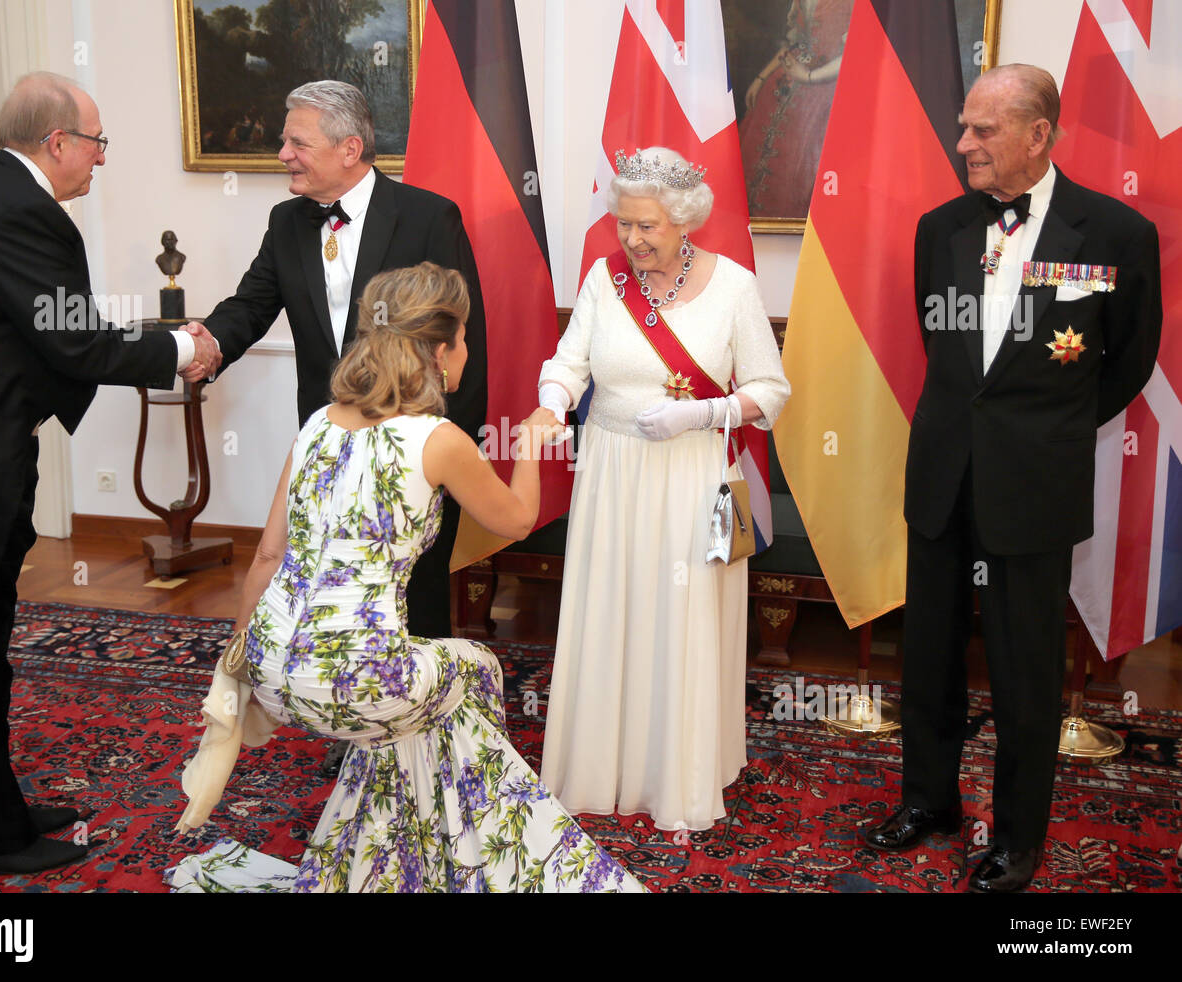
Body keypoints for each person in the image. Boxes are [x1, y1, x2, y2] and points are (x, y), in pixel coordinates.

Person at [168, 263, 643, 893]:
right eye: (465, 337)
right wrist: (530, 443)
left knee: (421, 711)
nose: (468, 350)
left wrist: (238, 662)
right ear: (441, 352)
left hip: (273, 671)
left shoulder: (317, 422)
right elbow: (519, 518)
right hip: (354, 685)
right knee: (476, 668)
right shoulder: (438, 439)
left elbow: (264, 559)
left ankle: (386, 859)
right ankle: (502, 865)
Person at [0, 71, 222, 877]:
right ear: (58, 142)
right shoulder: (18, 211)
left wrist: (158, 341)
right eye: (99, 143)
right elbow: (72, 343)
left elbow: (44, 336)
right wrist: (180, 347)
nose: (103, 159)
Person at [864, 65, 1162, 893]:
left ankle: (1018, 838)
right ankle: (928, 800)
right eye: (962, 127)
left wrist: (1046, 427)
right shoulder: (940, 228)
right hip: (943, 475)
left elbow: (1128, 361)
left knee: (1026, 671)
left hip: (1033, 485)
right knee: (927, 652)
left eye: (983, 131)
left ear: (1039, 135)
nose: (964, 144)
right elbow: (948, 352)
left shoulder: (1115, 234)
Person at [189, 80, 486, 776]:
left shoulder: (428, 216)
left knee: (412, 582)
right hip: (328, 440)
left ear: (350, 148)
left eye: (297, 142)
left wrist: (451, 452)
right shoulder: (286, 221)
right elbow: (250, 304)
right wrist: (202, 348)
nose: (283, 153)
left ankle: (420, 744)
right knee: (332, 580)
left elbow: (460, 343)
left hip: (411, 448)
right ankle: (352, 729)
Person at [536, 148, 790, 833]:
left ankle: (675, 773)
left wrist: (703, 414)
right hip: (612, 475)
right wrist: (552, 404)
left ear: (684, 222)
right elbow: (570, 361)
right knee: (610, 608)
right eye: (624, 225)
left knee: (682, 618)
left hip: (695, 476)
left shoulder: (733, 286)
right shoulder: (603, 278)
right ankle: (599, 766)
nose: (633, 239)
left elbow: (771, 392)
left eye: (647, 226)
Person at [738, 0, 852, 219]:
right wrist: (761, 78)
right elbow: (793, 44)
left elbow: (856, 50)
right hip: (782, 85)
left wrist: (809, 77)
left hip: (825, 94)